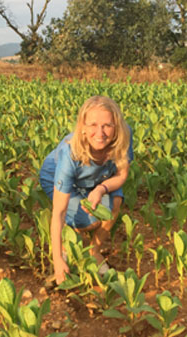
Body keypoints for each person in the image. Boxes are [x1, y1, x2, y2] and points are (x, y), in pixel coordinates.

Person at [39, 96, 133, 285]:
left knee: (114, 202)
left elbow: (121, 176)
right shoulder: (69, 154)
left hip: (98, 179)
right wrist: (57, 260)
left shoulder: (124, 136)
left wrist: (100, 189)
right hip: (59, 178)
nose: (100, 133)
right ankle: (67, 248)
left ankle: (94, 252)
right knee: (86, 222)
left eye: (107, 125)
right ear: (82, 126)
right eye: (93, 125)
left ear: (117, 126)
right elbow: (59, 212)